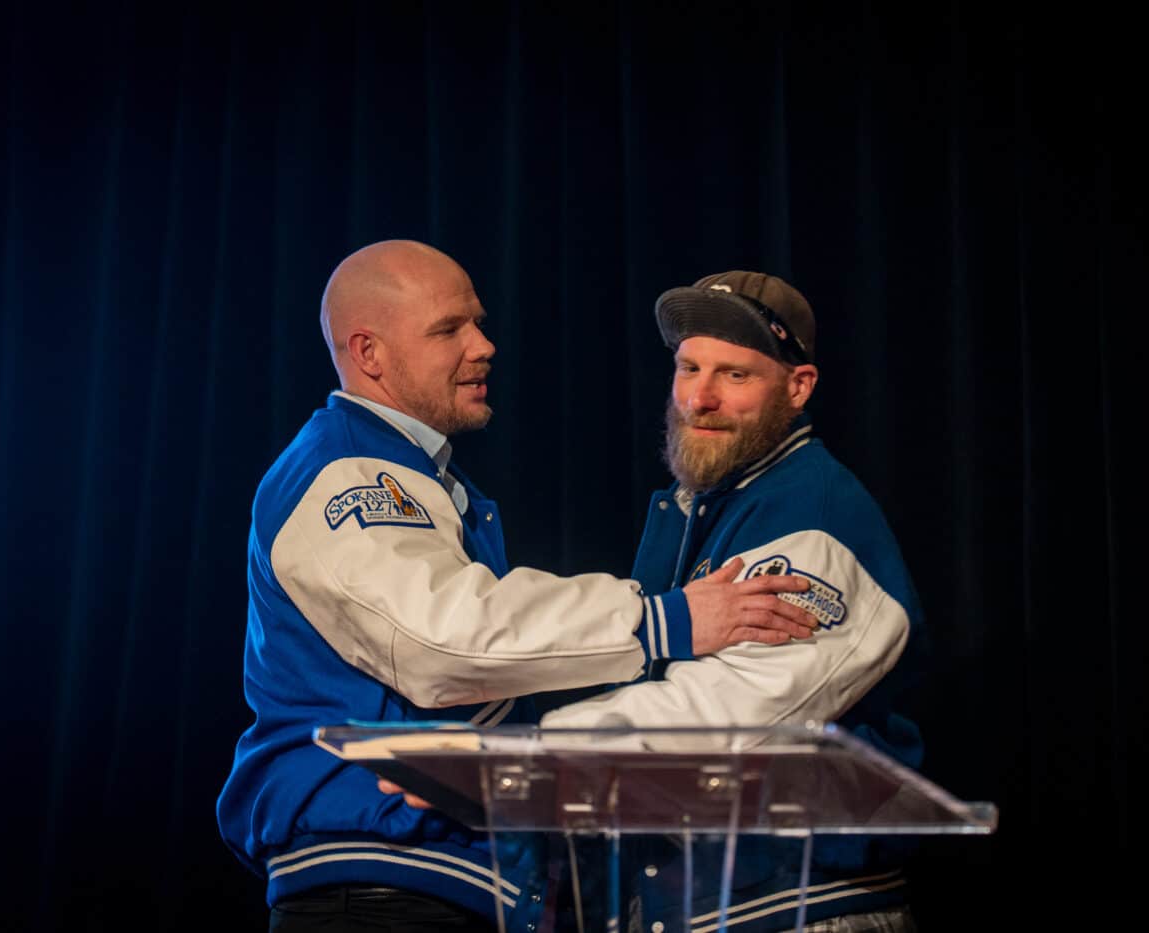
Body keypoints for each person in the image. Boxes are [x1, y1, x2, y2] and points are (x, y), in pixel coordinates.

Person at [214, 241, 818, 933]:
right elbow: (443, 639)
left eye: (477, 322)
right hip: (381, 887)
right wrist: (669, 620)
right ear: (369, 352)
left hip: (436, 886)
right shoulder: (350, 472)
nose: (484, 345)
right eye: (449, 330)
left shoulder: (421, 478)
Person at [541, 270, 928, 932]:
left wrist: (531, 753)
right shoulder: (698, 504)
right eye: (688, 366)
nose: (699, 397)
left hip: (801, 905)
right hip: (696, 900)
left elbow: (725, 717)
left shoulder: (813, 516)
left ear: (797, 386)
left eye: (735, 375)